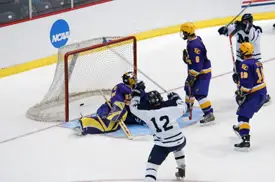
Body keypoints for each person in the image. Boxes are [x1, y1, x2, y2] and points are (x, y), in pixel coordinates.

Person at [129, 82, 187, 181]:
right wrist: (176, 97)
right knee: (176, 146)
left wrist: (137, 93)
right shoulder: (170, 106)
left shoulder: (145, 112)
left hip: (163, 144)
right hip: (181, 141)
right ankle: (182, 169)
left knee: (151, 167)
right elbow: (184, 107)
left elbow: (133, 107)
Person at [218, 13, 271, 105]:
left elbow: (252, 38)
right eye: (244, 21)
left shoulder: (257, 29)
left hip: (253, 59)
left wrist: (243, 28)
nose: (245, 23)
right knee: (238, 76)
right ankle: (242, 93)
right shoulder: (238, 28)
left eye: (247, 22)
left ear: (251, 22)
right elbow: (225, 32)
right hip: (240, 57)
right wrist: (224, 29)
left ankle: (261, 95)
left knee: (255, 78)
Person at [74, 71, 145, 136]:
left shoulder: (126, 89)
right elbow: (125, 97)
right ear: (127, 80)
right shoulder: (122, 86)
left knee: (119, 122)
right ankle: (83, 125)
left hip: (118, 111)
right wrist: (139, 90)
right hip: (108, 109)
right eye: (132, 79)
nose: (134, 80)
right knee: (108, 125)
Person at [232, 42, 267, 151]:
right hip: (263, 93)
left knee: (243, 116)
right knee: (244, 111)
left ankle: (245, 140)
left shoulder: (244, 65)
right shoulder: (258, 62)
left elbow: (247, 84)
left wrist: (241, 92)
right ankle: (240, 127)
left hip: (254, 95)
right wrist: (239, 80)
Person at [180, 22, 215, 125]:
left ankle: (209, 113)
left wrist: (192, 76)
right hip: (196, 72)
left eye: (183, 32)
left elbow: (198, 64)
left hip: (201, 73)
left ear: (187, 32)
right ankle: (187, 107)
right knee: (188, 88)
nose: (182, 34)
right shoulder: (194, 40)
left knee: (199, 94)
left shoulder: (194, 46)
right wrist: (187, 59)